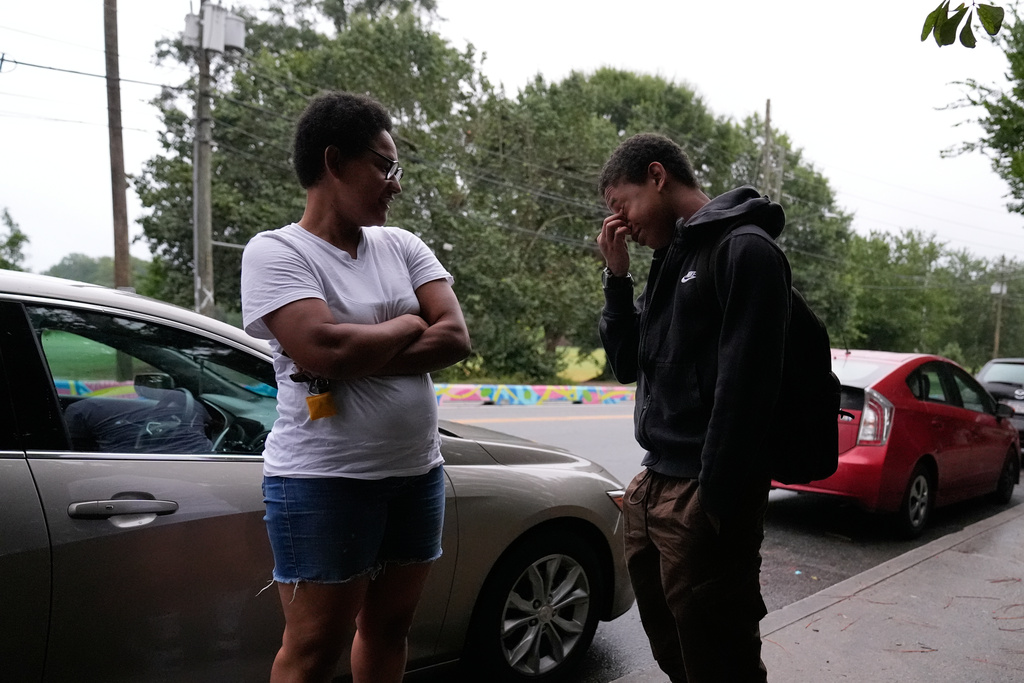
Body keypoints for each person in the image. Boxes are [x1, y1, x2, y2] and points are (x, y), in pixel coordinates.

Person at [240, 91, 471, 683]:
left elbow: (454, 338)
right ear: (334, 161)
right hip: (325, 481)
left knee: (389, 630)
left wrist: (350, 352)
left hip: (416, 474)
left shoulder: (403, 245)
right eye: (383, 165)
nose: (395, 183)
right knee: (315, 646)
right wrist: (405, 322)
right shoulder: (277, 252)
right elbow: (325, 348)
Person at [597, 133, 791, 683]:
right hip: (656, 481)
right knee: (673, 648)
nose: (621, 223)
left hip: (703, 492)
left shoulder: (745, 249)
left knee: (719, 655)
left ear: (657, 176)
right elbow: (628, 364)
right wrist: (617, 279)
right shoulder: (668, 259)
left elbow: (747, 391)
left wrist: (716, 500)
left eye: (622, 206)